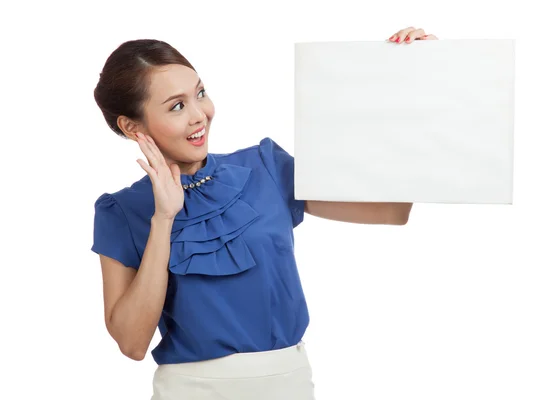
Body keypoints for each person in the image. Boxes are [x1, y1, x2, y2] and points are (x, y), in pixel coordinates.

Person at [91, 26, 437, 400]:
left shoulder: (264, 167)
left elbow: (392, 210)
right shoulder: (120, 211)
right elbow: (132, 343)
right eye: (177, 106)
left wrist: (414, 81)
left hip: (288, 384)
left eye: (200, 94)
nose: (200, 115)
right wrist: (164, 218)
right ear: (131, 126)